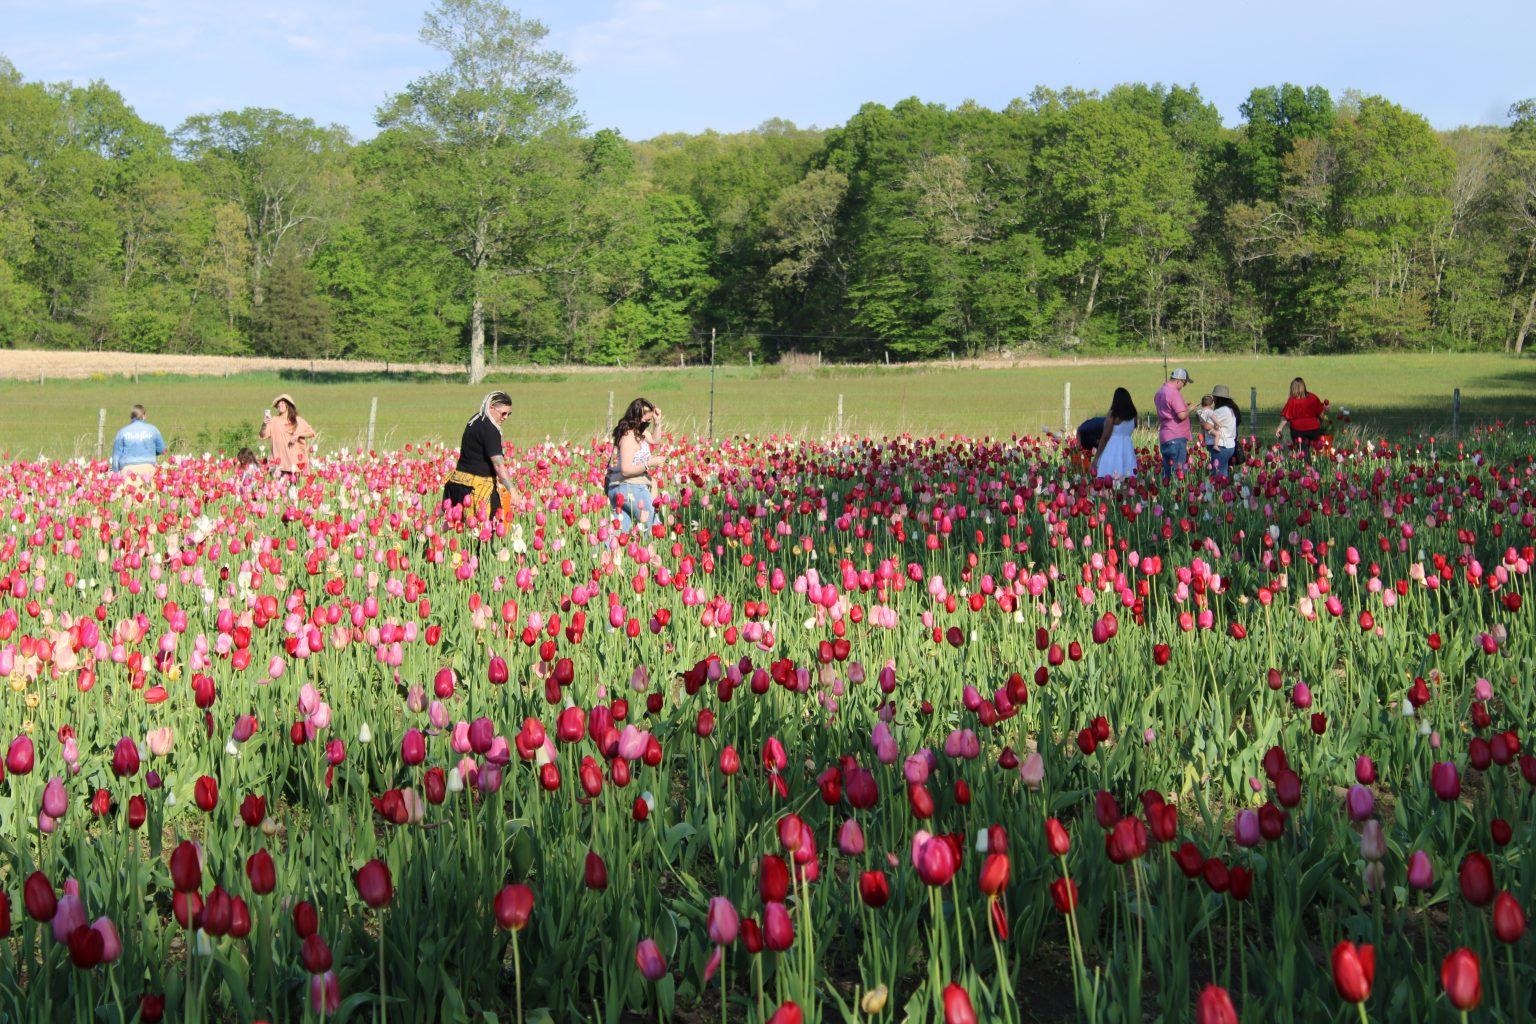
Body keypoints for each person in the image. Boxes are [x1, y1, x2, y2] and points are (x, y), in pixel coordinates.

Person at [442, 391, 523, 522]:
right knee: (488, 530)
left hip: (459, 486)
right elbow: (498, 464)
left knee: (467, 531)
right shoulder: (491, 430)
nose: (505, 417)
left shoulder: (475, 419)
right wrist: (512, 491)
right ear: (491, 408)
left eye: (509, 414)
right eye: (503, 413)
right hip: (479, 489)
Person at [605, 398, 665, 530]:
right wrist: (649, 463)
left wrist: (657, 422)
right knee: (653, 527)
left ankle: (605, 545)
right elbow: (625, 470)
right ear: (636, 416)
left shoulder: (638, 432)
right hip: (631, 487)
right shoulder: (628, 437)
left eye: (648, 421)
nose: (646, 423)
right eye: (645, 419)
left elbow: (655, 440)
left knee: (617, 533)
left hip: (625, 488)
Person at [259, 393, 316, 476]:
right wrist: (264, 424)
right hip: (278, 465)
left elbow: (311, 433)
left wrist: (298, 435)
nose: (279, 404)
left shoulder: (297, 420)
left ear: (288, 405)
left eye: (282, 402)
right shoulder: (274, 420)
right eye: (278, 403)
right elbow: (262, 435)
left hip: (294, 464)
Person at [1153, 368, 1194, 480]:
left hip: (1165, 436)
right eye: (1184, 383)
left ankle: (1165, 489)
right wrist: (1190, 409)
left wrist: (1183, 406)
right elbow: (1181, 415)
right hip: (1176, 437)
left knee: (1167, 475)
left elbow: (1168, 410)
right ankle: (1175, 491)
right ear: (1178, 380)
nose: (1183, 386)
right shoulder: (1173, 393)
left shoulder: (1160, 392)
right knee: (1177, 474)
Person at [110, 405, 166, 482]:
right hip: (148, 470)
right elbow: (162, 449)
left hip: (127, 471)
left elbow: (116, 456)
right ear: (144, 416)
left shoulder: (122, 432)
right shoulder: (153, 430)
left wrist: (115, 473)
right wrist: (151, 452)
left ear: (131, 417)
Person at [1094, 388, 1138, 480]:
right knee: (1127, 479)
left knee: (1109, 477)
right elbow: (1134, 426)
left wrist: (1097, 457)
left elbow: (1105, 437)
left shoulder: (1113, 415)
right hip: (1128, 449)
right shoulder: (1134, 415)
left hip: (1112, 450)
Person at [1196, 385, 1239, 476]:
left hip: (1221, 446)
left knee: (1218, 475)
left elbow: (1207, 426)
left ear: (1217, 398)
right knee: (1223, 472)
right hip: (1229, 445)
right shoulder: (1230, 409)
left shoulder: (1220, 411)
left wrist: (1201, 420)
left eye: (1214, 397)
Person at [1276, 377, 1325, 450]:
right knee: (1315, 450)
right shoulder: (1313, 397)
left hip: (1298, 430)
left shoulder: (1292, 401)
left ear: (1292, 388)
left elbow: (1286, 417)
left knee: (1302, 451)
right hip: (1314, 428)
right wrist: (1322, 424)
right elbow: (1321, 414)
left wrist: (1279, 428)